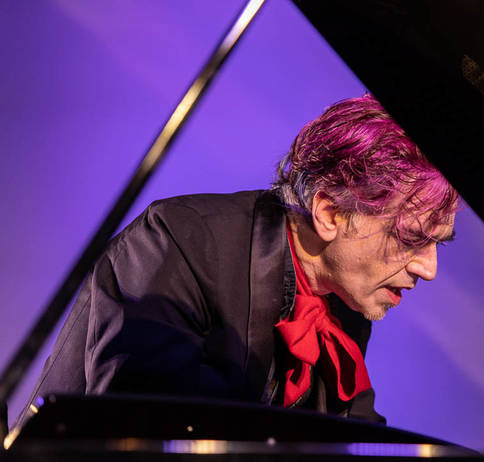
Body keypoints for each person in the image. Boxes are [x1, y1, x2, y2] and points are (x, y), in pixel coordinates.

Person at [15, 95, 458, 428]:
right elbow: (151, 423)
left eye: (438, 244)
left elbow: (360, 437)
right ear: (330, 213)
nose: (429, 268)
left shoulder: (345, 302)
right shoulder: (180, 241)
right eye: (411, 238)